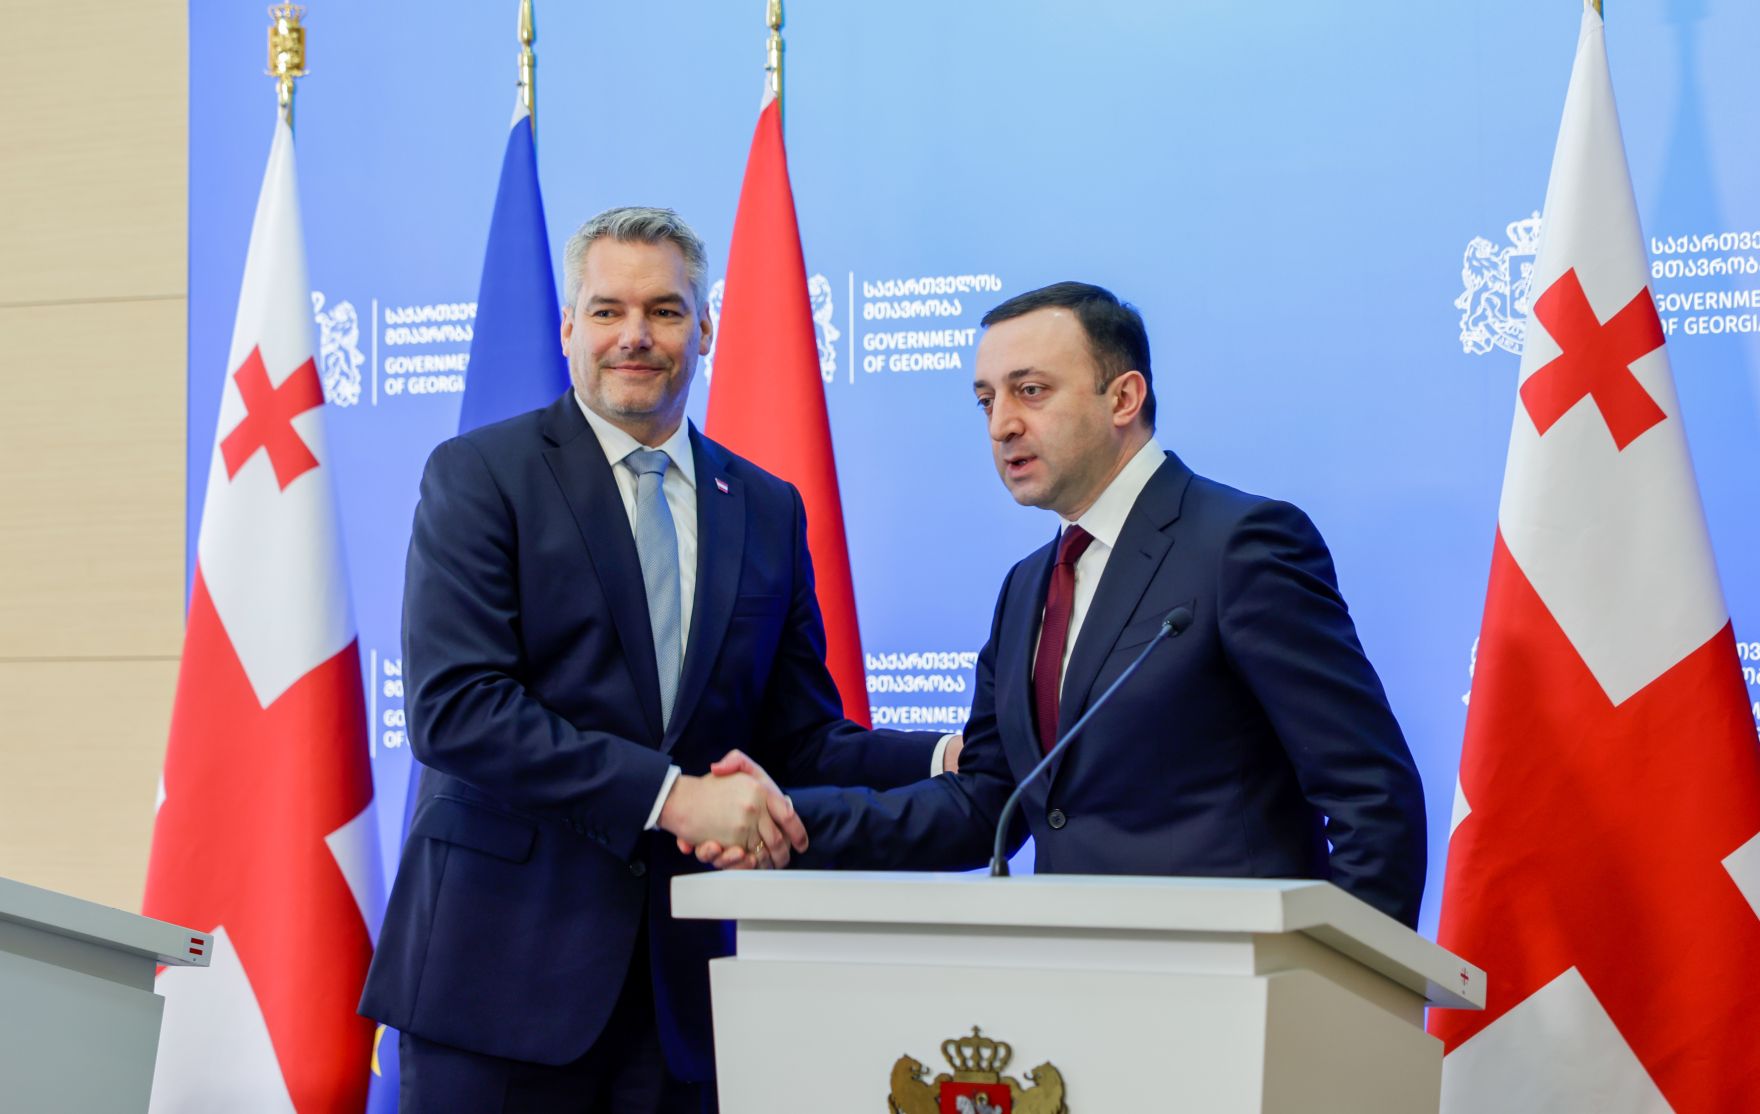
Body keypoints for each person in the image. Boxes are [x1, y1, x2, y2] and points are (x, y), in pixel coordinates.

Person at [361, 207, 951, 1113]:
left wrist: (945, 757)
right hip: (498, 984)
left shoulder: (766, 507)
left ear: (704, 328)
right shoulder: (481, 475)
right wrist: (675, 797)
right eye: (608, 310)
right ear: (569, 327)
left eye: (665, 311)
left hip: (680, 1002)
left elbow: (799, 739)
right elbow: (458, 709)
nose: (635, 336)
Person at [701, 281, 1427, 927]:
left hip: (1239, 988)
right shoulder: (1027, 588)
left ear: (1124, 399)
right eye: (987, 400)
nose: (1001, 425)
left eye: (1031, 391)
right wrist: (789, 821)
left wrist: (1342, 989)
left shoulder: (1240, 546)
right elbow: (982, 803)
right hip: (1075, 990)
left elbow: (1371, 797)